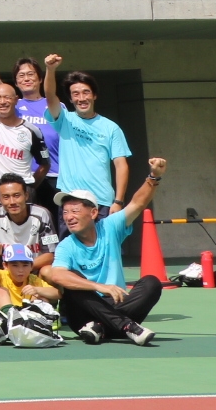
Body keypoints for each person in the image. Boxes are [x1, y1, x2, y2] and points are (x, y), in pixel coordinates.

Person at [45, 157, 169, 345]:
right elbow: (57, 276)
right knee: (74, 282)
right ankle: (128, 327)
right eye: (65, 212)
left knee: (152, 283)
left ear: (93, 213)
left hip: (116, 302)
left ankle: (101, 328)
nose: (68, 217)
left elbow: (137, 204)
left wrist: (154, 177)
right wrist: (99, 287)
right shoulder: (66, 245)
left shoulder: (110, 227)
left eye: (75, 211)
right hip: (83, 313)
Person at [42, 57, 132, 210]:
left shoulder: (111, 128)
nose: (81, 98)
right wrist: (50, 70)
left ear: (94, 95)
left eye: (86, 92)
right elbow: (50, 96)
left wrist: (118, 201)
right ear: (70, 99)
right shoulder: (64, 119)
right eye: (76, 94)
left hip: (101, 201)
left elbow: (121, 165)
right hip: (70, 201)